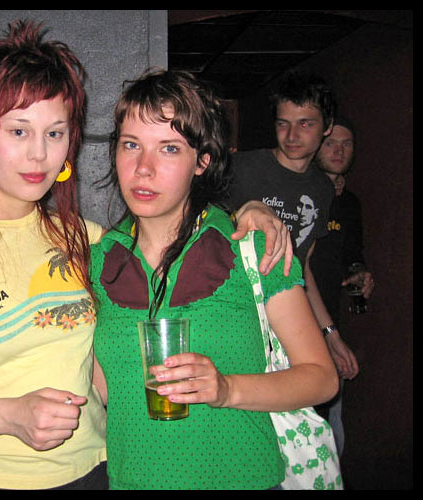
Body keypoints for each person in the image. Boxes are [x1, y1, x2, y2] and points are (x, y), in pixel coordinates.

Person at [0, 21, 290, 490]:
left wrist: (248, 211)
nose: (38, 154)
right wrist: (8, 415)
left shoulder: (86, 240)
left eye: (55, 133)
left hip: (100, 469)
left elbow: (172, 225)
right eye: (19, 130)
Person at [90, 68, 338, 489]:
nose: (143, 168)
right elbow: (102, 389)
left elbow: (321, 377)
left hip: (242, 479)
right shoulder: (98, 262)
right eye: (131, 145)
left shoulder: (252, 248)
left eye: (169, 148)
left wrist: (227, 389)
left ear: (202, 161)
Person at [228, 69, 359, 382]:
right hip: (234, 317)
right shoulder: (241, 168)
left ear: (327, 126)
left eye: (305, 124)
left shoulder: (322, 189)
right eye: (283, 123)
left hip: (284, 323)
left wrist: (330, 334)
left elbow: (302, 268)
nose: (291, 135)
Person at [310, 116, 374, 456]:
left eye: (346, 144)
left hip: (330, 317)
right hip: (297, 320)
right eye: (331, 143)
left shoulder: (349, 203)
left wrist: (360, 272)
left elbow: (352, 253)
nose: (339, 150)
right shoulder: (303, 195)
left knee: (329, 425)